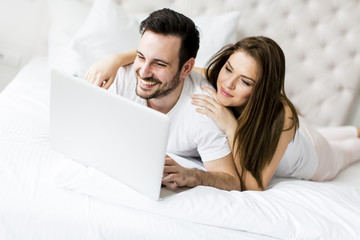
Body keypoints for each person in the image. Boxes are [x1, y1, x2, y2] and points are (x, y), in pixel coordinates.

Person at [86, 35, 360, 191]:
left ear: (261, 89)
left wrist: (230, 126)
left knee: (349, 148)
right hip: (291, 137)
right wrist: (116, 59)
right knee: (335, 132)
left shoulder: (282, 114)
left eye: (246, 81)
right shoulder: (219, 78)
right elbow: (172, 64)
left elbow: (253, 185)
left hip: (313, 155)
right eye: (229, 69)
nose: (227, 84)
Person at [86, 8, 241, 191]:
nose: (143, 73)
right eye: (141, 57)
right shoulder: (121, 77)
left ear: (186, 68)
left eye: (159, 64)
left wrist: (191, 175)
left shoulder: (204, 110)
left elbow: (232, 181)